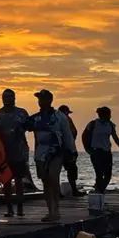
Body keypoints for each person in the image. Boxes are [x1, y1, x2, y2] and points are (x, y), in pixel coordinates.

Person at [26, 90, 76, 222]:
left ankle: (56, 210)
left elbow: (68, 135)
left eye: (42, 98)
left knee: (54, 178)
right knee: (45, 182)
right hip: (40, 154)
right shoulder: (35, 118)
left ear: (49, 100)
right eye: (39, 99)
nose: (40, 101)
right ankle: (50, 211)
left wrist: (72, 151)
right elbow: (24, 126)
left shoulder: (59, 117)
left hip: (56, 152)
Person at [0, 89, 29, 217]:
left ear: (14, 98)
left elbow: (29, 128)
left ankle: (20, 208)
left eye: (10, 97)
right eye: (5, 97)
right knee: (6, 182)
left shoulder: (22, 113)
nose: (7, 99)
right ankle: (9, 209)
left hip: (19, 152)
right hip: (3, 154)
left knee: (19, 181)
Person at [82, 106, 119, 194]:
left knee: (108, 174)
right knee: (99, 173)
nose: (110, 117)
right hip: (96, 151)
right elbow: (84, 135)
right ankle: (99, 191)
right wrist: (87, 148)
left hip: (107, 151)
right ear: (103, 115)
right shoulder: (93, 124)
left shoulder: (110, 125)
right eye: (109, 115)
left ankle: (100, 189)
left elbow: (114, 136)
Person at [58, 105, 82, 198]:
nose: (68, 114)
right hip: (66, 149)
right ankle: (72, 191)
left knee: (71, 170)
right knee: (68, 170)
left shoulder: (66, 120)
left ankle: (72, 190)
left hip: (68, 148)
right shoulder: (63, 120)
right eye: (67, 112)